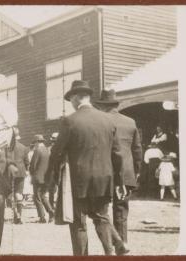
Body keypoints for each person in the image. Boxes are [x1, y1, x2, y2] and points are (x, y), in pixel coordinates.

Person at [46, 80, 128, 256]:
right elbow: (118, 154)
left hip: (79, 181)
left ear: (75, 98)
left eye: (71, 100)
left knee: (79, 224)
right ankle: (111, 252)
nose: (72, 104)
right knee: (101, 216)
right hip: (104, 179)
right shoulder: (108, 120)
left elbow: (56, 152)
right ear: (89, 97)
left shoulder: (70, 121)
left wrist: (53, 177)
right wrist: (119, 181)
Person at [95, 89, 143, 244]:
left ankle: (110, 246)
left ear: (102, 106)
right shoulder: (130, 122)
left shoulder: (99, 120)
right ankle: (121, 247)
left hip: (104, 172)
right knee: (121, 211)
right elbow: (137, 150)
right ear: (115, 104)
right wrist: (136, 172)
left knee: (101, 212)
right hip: (127, 173)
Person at [6, 127, 29, 224]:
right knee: (19, 194)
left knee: (10, 195)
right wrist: (26, 170)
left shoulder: (7, 147)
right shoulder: (24, 147)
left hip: (10, 172)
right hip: (21, 172)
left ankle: (15, 215)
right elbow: (27, 162)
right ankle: (19, 217)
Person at [30, 134, 55, 223]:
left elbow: (33, 165)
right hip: (47, 177)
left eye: (35, 142)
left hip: (38, 177)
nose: (35, 144)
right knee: (43, 196)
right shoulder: (47, 150)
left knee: (37, 197)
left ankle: (42, 217)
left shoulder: (37, 150)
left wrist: (32, 174)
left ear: (37, 142)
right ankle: (51, 212)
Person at [47, 132, 59, 209]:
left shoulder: (48, 149)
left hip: (52, 171)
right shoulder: (61, 148)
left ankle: (52, 204)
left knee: (51, 189)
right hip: (58, 170)